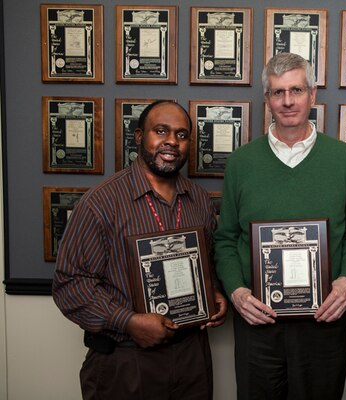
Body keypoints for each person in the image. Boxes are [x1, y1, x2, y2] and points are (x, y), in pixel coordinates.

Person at [213, 52, 346, 400]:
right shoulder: (241, 162)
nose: (287, 101)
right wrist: (238, 292)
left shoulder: (343, 160)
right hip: (258, 322)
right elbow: (225, 239)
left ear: (312, 95)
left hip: (324, 321)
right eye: (277, 92)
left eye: (296, 90)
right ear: (267, 99)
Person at [52, 100, 228, 400]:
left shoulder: (199, 200)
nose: (172, 141)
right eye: (161, 131)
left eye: (182, 135)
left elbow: (206, 264)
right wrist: (128, 321)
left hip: (191, 358)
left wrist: (216, 294)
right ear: (138, 137)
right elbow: (70, 284)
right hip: (125, 360)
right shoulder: (101, 202)